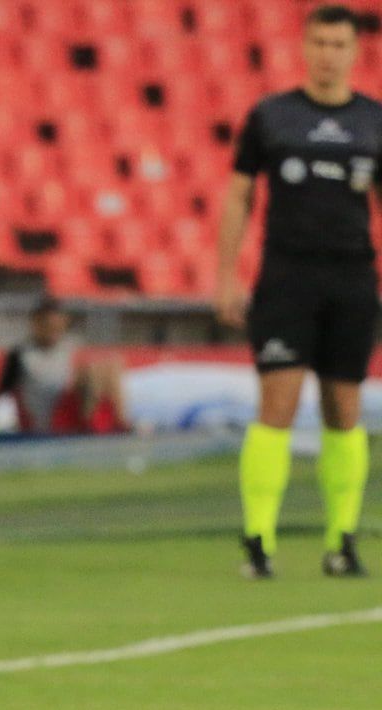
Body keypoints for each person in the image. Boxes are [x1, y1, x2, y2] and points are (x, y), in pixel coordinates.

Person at [217, 2, 378, 579]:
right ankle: (258, 540)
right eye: (319, 44)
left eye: (338, 45)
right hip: (287, 278)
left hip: (352, 277)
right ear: (304, 48)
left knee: (344, 407)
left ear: (355, 52)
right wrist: (225, 274)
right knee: (277, 404)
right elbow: (238, 195)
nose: (328, 55)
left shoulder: (373, 121)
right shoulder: (271, 117)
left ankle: (342, 541)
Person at [0, 297, 78, 438]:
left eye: (58, 327)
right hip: (34, 433)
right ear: (36, 323)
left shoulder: (69, 351)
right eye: (48, 326)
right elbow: (1, 389)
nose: (53, 332)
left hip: (65, 431)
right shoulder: (21, 355)